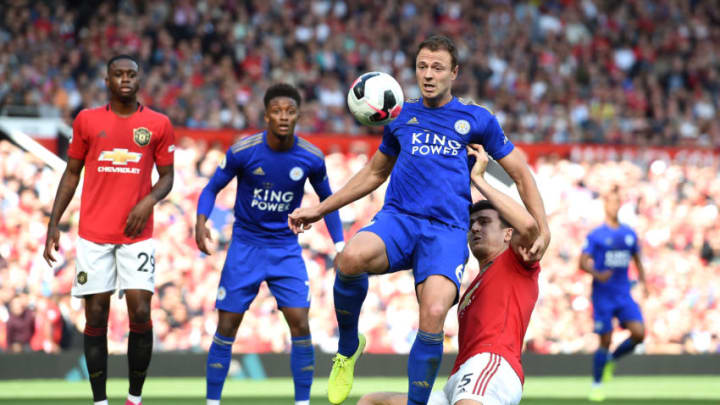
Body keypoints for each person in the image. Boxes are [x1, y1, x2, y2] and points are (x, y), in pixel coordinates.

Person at [288, 35, 550, 405]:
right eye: (422, 66)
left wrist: (544, 225)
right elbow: (375, 173)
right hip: (400, 219)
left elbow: (521, 174)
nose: (428, 75)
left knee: (435, 310)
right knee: (349, 259)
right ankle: (348, 348)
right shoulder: (400, 117)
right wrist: (321, 207)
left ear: (454, 73)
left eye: (438, 68)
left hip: (446, 231)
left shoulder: (477, 119)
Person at [196, 83, 344, 405]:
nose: (283, 116)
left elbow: (327, 200)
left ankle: (302, 402)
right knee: (227, 325)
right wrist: (201, 220)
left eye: (290, 111)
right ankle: (212, 402)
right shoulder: (243, 151)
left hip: (285, 249)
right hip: (245, 247)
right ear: (266, 115)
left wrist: (340, 245)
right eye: (277, 111)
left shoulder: (310, 158)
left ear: (298, 116)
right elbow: (210, 189)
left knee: (300, 322)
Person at [358, 144, 541, 405]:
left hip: (491, 364)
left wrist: (479, 179)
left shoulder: (516, 261)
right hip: (457, 378)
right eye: (472, 223)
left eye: (485, 222)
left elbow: (528, 224)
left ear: (508, 233)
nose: (475, 228)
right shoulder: (477, 280)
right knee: (372, 402)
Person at [43, 54, 175, 405]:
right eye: (118, 74)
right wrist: (54, 222)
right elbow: (71, 173)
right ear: (107, 80)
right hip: (94, 236)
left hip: (137, 236)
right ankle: (100, 400)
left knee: (141, 312)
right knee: (96, 314)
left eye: (131, 74)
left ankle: (134, 397)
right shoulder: (87, 120)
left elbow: (168, 178)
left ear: (139, 79)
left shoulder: (158, 124)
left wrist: (147, 202)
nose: (125, 79)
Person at [580, 188, 648, 402]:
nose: (615, 205)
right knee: (605, 339)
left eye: (619, 201)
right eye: (612, 201)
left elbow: (637, 259)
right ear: (605, 204)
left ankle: (611, 359)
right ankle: (597, 384)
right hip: (603, 295)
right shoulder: (596, 234)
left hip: (623, 293)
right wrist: (597, 274)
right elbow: (582, 262)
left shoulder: (628, 233)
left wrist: (644, 282)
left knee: (639, 333)